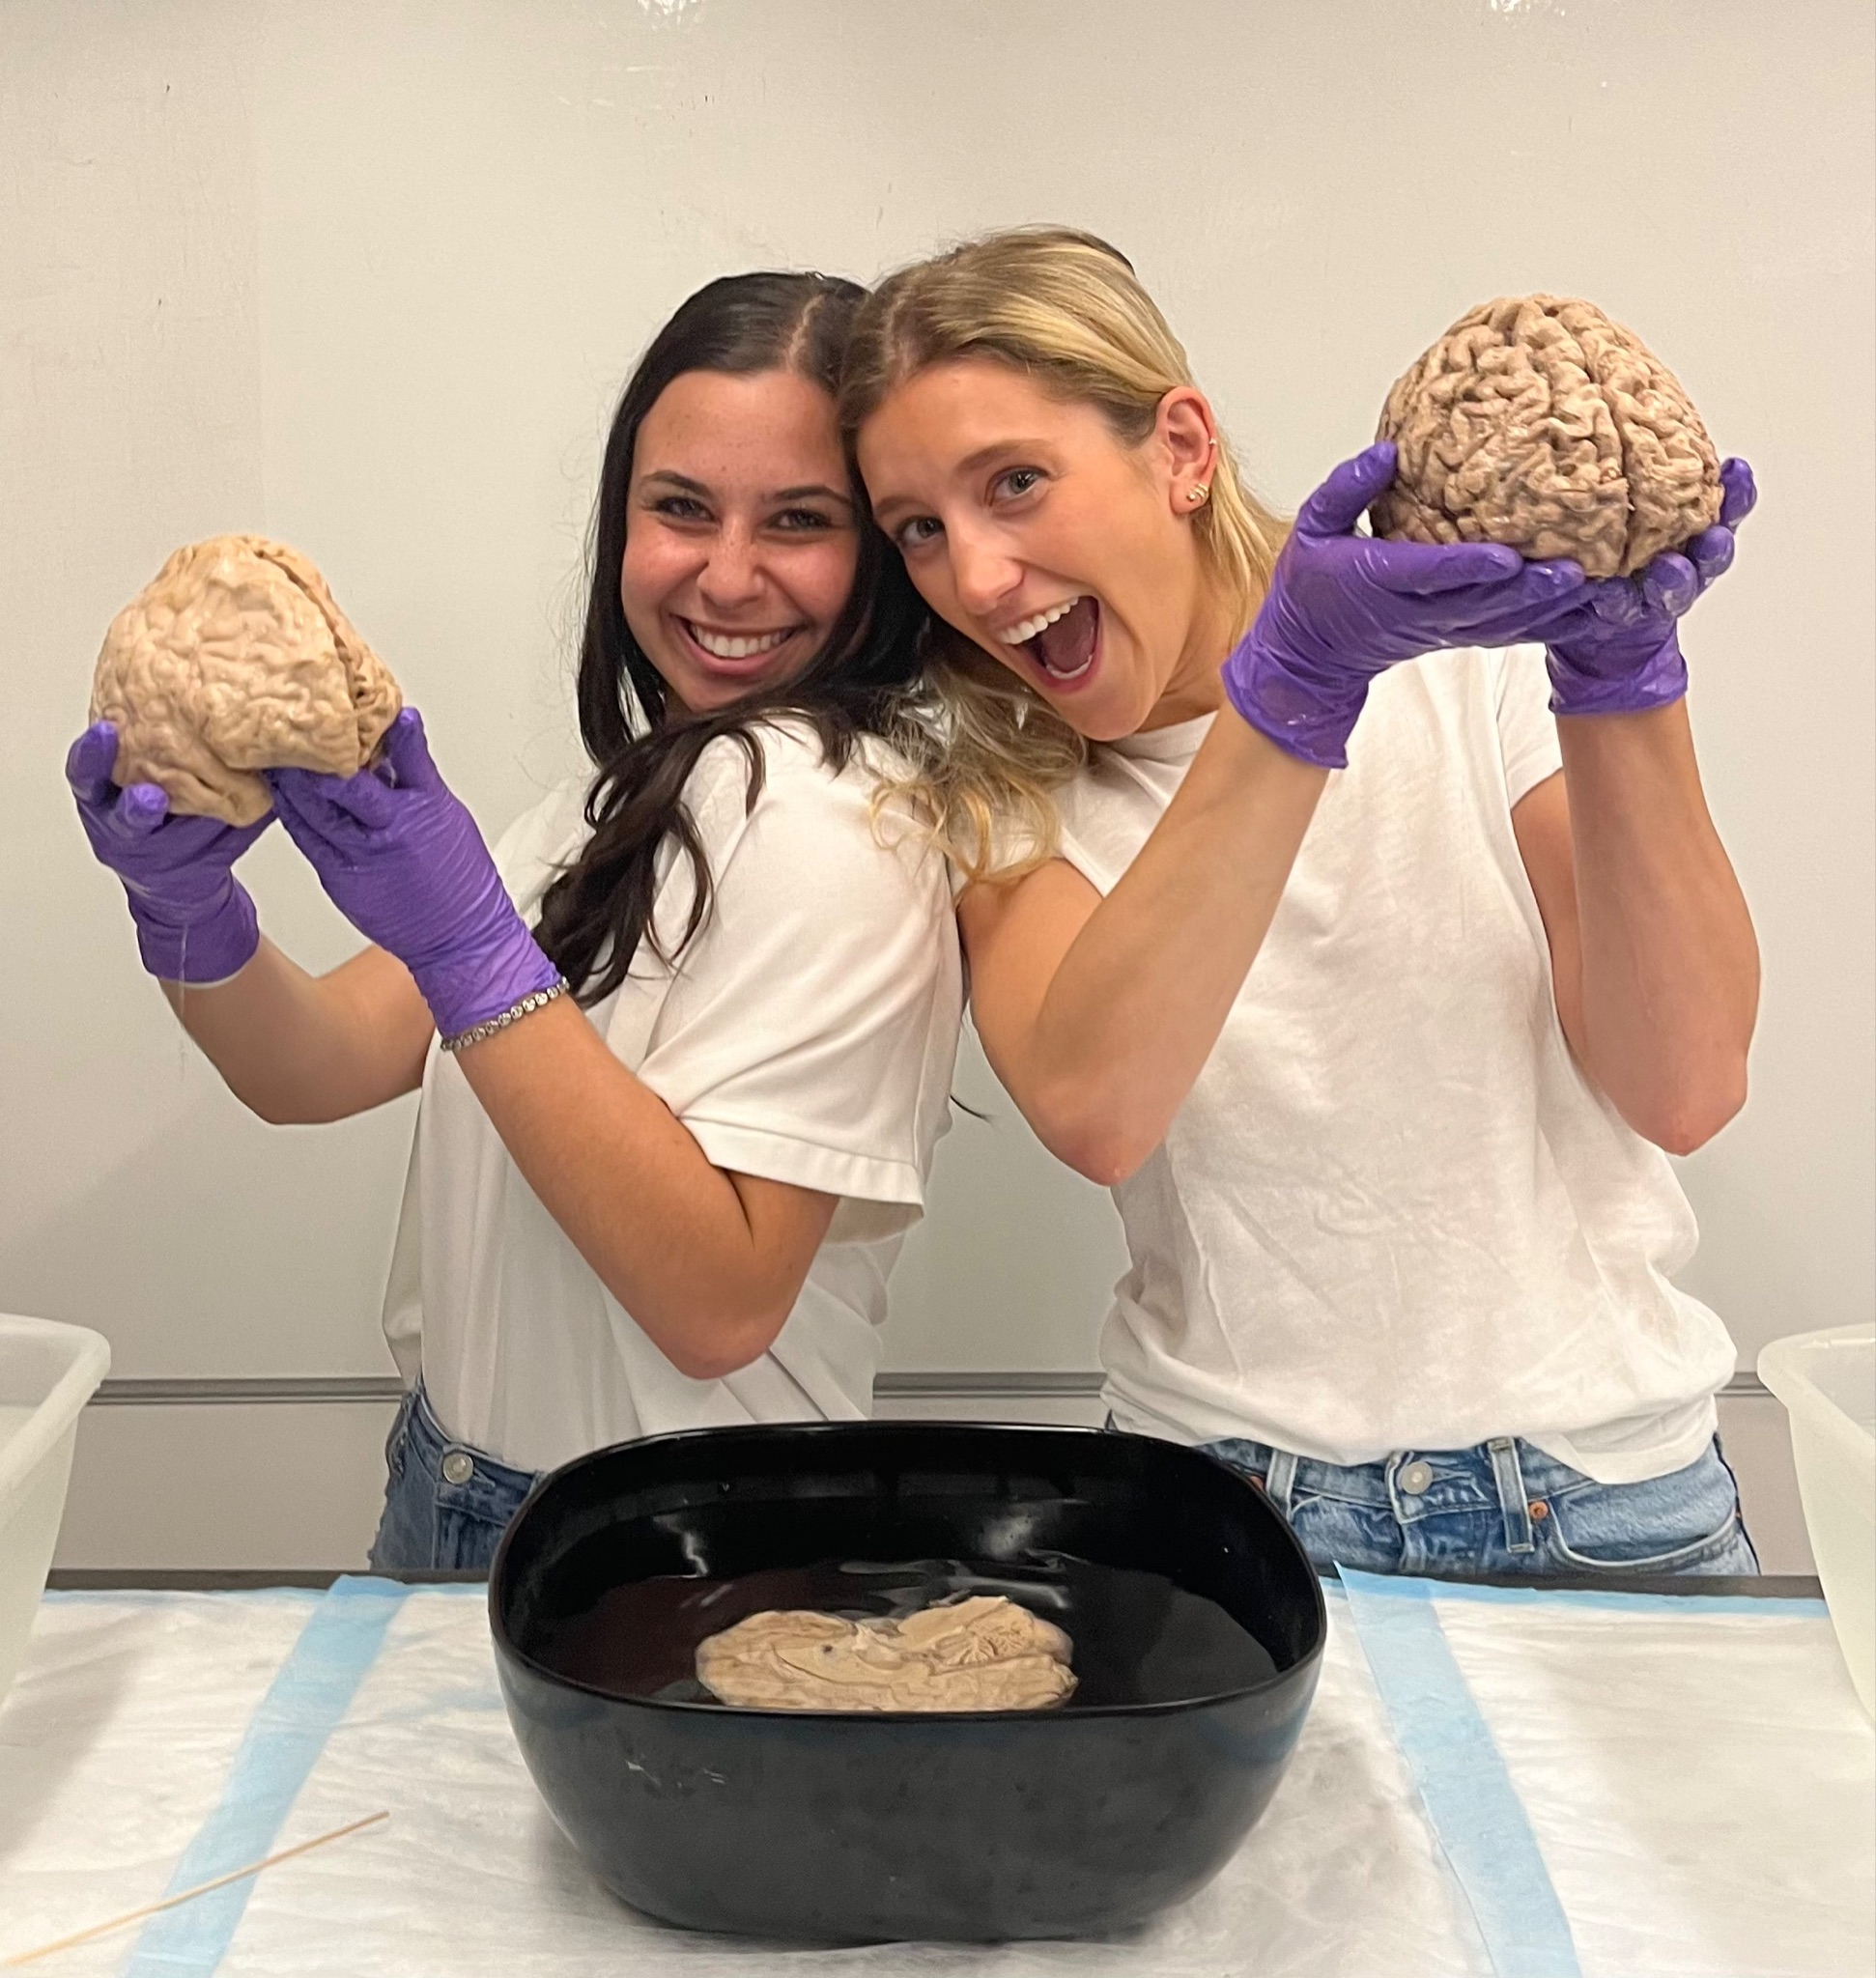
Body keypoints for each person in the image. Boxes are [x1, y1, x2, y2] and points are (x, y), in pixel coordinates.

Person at [842, 227, 1761, 1578]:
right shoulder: (990, 788)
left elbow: (1681, 1084)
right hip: (1231, 1516)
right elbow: (1098, 1110)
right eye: (918, 529)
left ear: (1181, 448)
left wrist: (1624, 679)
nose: (974, 579)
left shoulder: (1472, 668)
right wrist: (1293, 691)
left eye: (1017, 484)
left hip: (1604, 1497)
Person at [69, 272, 963, 1570]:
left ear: (876, 552)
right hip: (457, 1487)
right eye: (678, 509)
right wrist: (185, 908)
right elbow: (311, 1066)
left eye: (798, 520)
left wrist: (473, 955)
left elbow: (719, 1301)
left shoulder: (838, 828)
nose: (726, 573)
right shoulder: (611, 807)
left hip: (682, 1551)